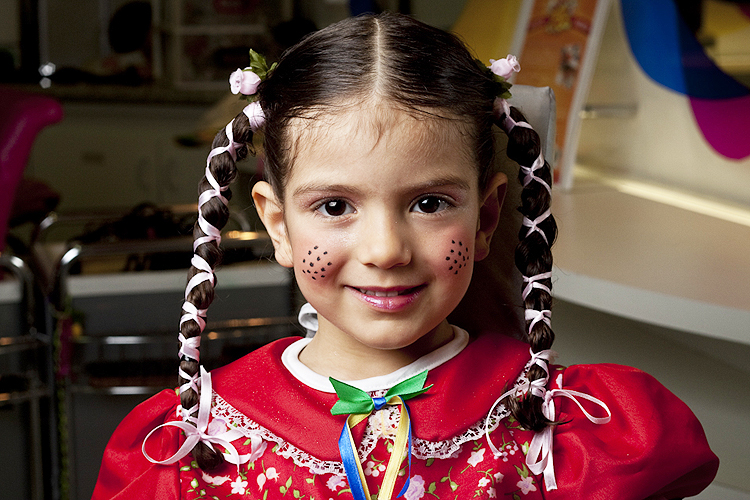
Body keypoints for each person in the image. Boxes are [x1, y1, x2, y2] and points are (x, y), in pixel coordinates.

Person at [92, 13, 718, 500]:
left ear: (487, 218)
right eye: (335, 207)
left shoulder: (564, 429)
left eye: (429, 204)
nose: (386, 250)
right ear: (278, 224)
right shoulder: (201, 444)